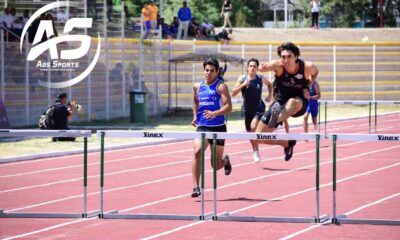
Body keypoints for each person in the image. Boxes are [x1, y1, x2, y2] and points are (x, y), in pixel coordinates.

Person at [256, 42, 319, 161]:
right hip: (280, 102)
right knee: (258, 137)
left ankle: (275, 120)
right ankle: (287, 143)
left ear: (296, 56)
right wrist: (264, 68)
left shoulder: (307, 67)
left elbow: (315, 73)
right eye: (283, 57)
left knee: (292, 102)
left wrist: (307, 85)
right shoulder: (278, 66)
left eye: (289, 56)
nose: (286, 60)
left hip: (298, 103)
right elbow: (270, 65)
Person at [191, 58, 233, 197]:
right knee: (197, 152)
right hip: (203, 126)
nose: (208, 73)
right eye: (206, 70)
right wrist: (195, 116)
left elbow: (229, 107)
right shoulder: (197, 87)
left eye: (212, 71)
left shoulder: (221, 86)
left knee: (215, 165)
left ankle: (225, 160)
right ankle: (196, 187)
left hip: (218, 127)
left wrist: (215, 113)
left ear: (217, 72)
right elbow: (195, 101)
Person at [231, 58, 272, 163]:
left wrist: (269, 95)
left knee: (253, 127)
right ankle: (255, 150)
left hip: (259, 108)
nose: (252, 68)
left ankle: (256, 149)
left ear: (257, 68)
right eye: (251, 66)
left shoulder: (260, 78)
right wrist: (244, 84)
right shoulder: (242, 78)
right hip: (248, 109)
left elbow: (270, 84)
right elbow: (233, 93)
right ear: (247, 68)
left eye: (254, 66)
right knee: (250, 133)